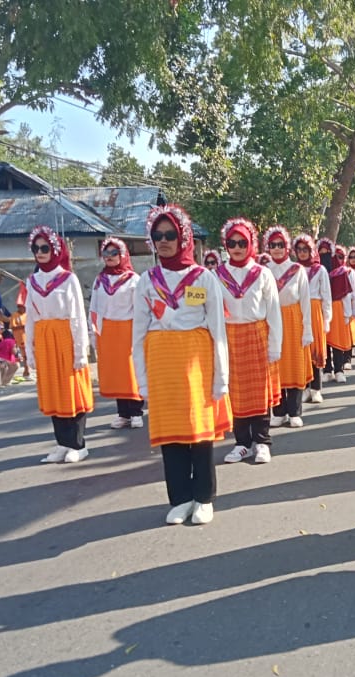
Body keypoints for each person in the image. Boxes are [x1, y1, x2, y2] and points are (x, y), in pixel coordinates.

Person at [132, 203, 231, 525]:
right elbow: (138, 333)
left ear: (183, 237)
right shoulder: (146, 281)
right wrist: (141, 381)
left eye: (170, 234)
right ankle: (180, 497)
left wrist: (221, 379)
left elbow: (217, 330)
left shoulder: (203, 278)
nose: (163, 240)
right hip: (161, 366)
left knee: (198, 433)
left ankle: (203, 497)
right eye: (157, 235)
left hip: (196, 366)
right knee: (170, 434)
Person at [25, 226, 94, 464]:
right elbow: (30, 319)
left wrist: (80, 351)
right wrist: (30, 350)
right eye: (36, 248)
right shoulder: (32, 281)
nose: (40, 252)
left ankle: (78, 444)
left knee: (70, 390)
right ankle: (62, 443)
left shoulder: (68, 279)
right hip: (44, 338)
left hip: (65, 337)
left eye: (45, 248)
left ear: (55, 250)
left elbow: (77, 315)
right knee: (53, 391)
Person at [216, 217, 282, 465]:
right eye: (232, 242)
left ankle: (263, 442)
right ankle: (242, 442)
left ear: (251, 243)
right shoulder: (217, 275)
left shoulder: (262, 273)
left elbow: (273, 311)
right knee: (236, 392)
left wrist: (274, 345)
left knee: (259, 391)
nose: (237, 247)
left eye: (242, 242)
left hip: (257, 334)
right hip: (229, 336)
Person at [89, 237, 145, 429]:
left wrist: (139, 333)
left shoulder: (133, 280)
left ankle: (137, 411)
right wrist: (93, 332)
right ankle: (123, 413)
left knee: (131, 371)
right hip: (107, 330)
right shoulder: (100, 280)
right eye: (106, 253)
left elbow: (140, 309)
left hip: (128, 328)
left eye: (114, 253)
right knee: (115, 373)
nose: (110, 257)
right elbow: (94, 307)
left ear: (122, 255)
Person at [264, 225, 312, 428]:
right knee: (276, 365)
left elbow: (305, 301)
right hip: (271, 321)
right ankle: (278, 410)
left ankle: (294, 411)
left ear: (287, 247)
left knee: (293, 366)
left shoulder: (297, 270)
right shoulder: (264, 271)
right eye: (272, 245)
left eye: (280, 245)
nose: (276, 249)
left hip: (293, 320)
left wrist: (307, 328)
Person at [293, 233, 331, 404]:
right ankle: (305, 388)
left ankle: (316, 388)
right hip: (298, 311)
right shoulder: (292, 270)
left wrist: (326, 318)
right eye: (299, 249)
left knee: (315, 350)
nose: (302, 253)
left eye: (305, 249)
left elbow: (326, 296)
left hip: (315, 310)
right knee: (302, 351)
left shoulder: (320, 270)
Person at [324, 243, 355, 382]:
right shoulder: (324, 272)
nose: (337, 259)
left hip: (340, 310)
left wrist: (353, 311)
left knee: (338, 341)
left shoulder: (347, 272)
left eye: (340, 256)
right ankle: (327, 370)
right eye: (335, 256)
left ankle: (339, 370)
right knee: (326, 341)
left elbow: (354, 293)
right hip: (326, 309)